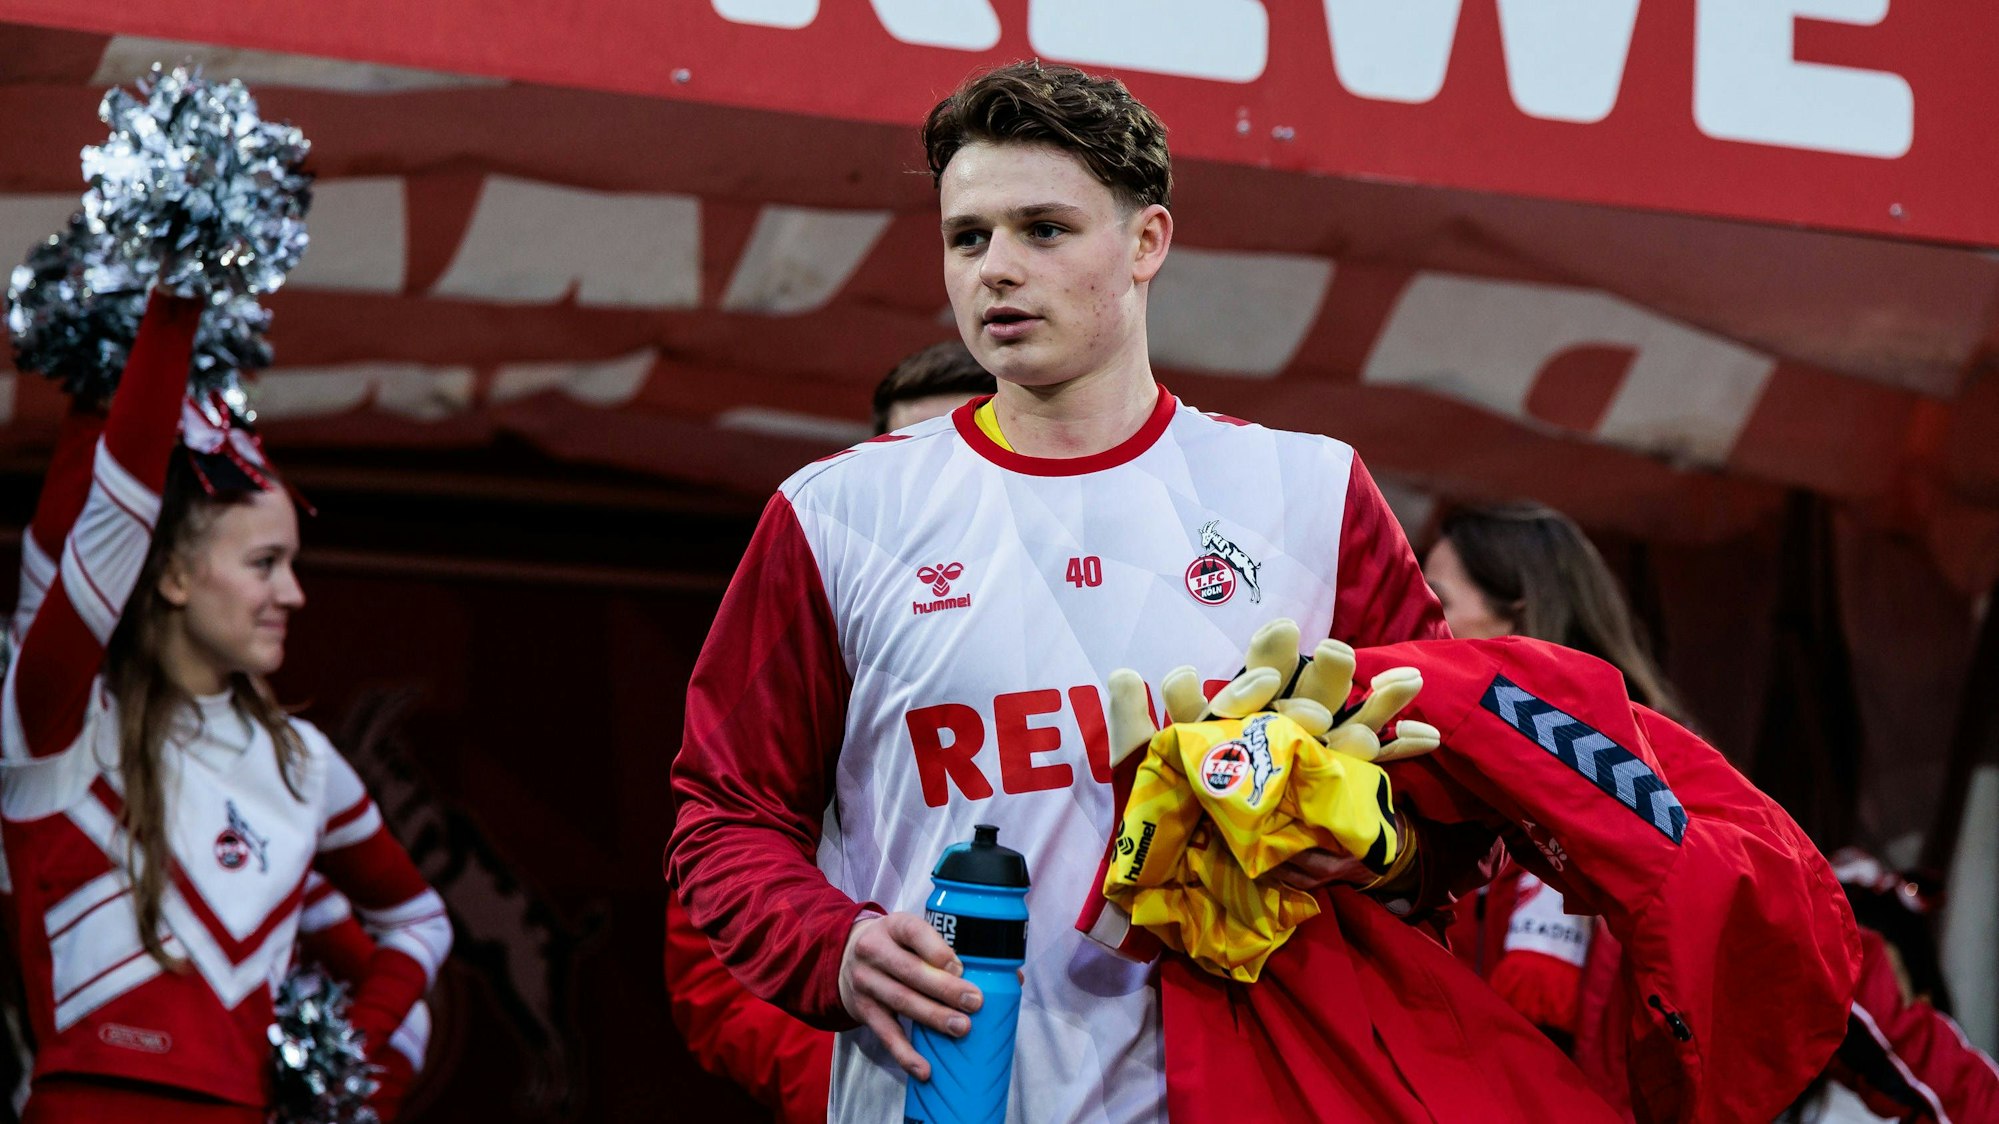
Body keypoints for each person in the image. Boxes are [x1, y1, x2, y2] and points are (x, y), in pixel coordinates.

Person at [668, 60, 1449, 1122]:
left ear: (1146, 243)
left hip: (1248, 1091)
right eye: (967, 237)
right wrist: (830, 945)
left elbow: (1461, 813)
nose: (996, 268)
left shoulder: (1309, 493)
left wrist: (1369, 847)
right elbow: (723, 812)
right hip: (939, 1093)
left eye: (1043, 229)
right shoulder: (836, 512)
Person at [0, 294, 451, 1120]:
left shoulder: (304, 762)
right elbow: (113, 514)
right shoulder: (62, 725)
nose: (294, 594)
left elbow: (420, 922)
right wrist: (175, 299)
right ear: (172, 575)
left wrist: (338, 1069)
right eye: (265, 563)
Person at [1429, 502, 1999, 1123]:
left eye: (1438, 600)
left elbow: (1818, 968)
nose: (1418, 622)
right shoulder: (1430, 795)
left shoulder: (1659, 783)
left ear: (1518, 612)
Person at [663, 341, 993, 1123]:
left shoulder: (1104, 630)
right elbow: (712, 968)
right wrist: (870, 1079)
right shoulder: (812, 632)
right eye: (912, 454)